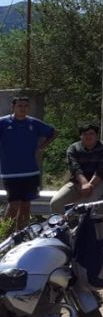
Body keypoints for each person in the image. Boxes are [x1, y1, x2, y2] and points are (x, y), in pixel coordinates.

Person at [0, 96, 57, 228]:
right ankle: (5, 235)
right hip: (10, 172)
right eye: (20, 106)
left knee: (26, 205)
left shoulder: (34, 123)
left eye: (25, 106)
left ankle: (21, 234)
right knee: (14, 204)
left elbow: (54, 132)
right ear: (13, 107)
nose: (22, 108)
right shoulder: (3, 123)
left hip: (31, 171)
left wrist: (42, 147)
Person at [50, 124, 103, 214]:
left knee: (81, 206)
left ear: (96, 135)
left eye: (91, 133)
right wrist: (84, 184)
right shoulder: (73, 148)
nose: (88, 136)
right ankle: (64, 226)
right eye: (85, 134)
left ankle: (80, 227)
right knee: (56, 203)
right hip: (77, 181)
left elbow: (102, 170)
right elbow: (75, 168)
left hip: (99, 182)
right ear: (80, 136)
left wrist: (89, 186)